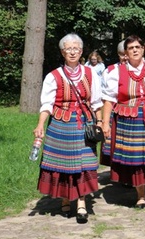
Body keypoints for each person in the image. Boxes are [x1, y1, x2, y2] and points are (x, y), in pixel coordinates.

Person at [33, 33, 103, 223]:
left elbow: (96, 102)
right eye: (68, 49)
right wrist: (40, 125)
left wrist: (100, 123)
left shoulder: (90, 74)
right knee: (63, 165)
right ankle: (65, 199)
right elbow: (47, 104)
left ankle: (81, 204)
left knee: (83, 164)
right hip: (60, 125)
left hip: (84, 125)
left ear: (81, 51)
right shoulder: (53, 76)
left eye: (76, 49)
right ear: (63, 52)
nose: (72, 52)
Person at [102, 35, 145, 209]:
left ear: (143, 49)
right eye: (131, 48)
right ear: (126, 52)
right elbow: (109, 100)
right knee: (136, 160)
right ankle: (140, 195)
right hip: (129, 119)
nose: (134, 50)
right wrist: (105, 123)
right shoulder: (116, 72)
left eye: (137, 47)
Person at [99, 40, 127, 166]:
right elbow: (103, 94)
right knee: (114, 143)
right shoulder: (110, 71)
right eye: (122, 54)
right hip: (113, 109)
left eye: (127, 54)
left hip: (130, 110)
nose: (125, 57)